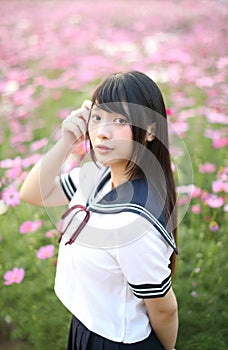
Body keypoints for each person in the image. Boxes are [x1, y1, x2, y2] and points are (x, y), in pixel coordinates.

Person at [20, 71, 178, 350]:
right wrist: (68, 138)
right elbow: (32, 193)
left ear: (150, 131)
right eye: (98, 117)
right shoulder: (97, 176)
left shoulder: (133, 223)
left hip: (116, 341)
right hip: (85, 328)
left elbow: (164, 309)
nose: (102, 131)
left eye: (120, 120)